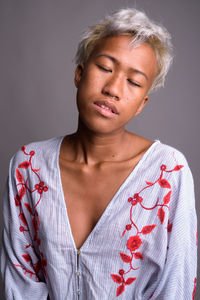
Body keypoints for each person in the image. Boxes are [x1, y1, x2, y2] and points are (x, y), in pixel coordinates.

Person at [1, 7, 197, 300]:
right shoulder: (28, 166)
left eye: (133, 81)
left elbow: (176, 287)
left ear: (141, 104)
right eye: (105, 67)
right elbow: (19, 285)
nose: (114, 88)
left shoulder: (168, 173)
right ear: (80, 73)